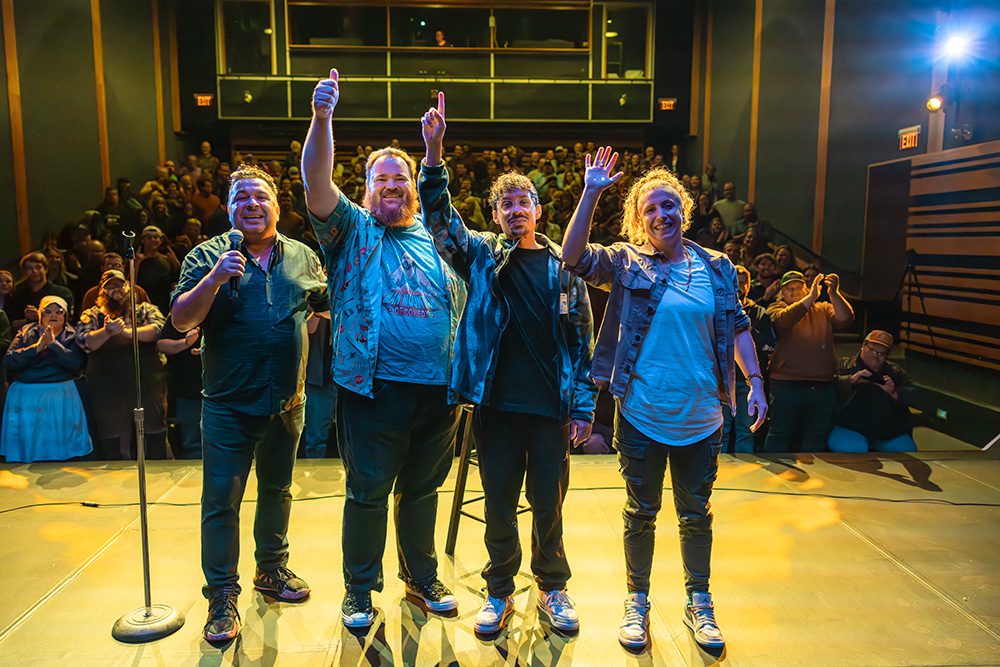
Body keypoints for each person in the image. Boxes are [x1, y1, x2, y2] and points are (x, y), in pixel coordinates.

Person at [562, 155, 767, 651]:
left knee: (696, 514)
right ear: (639, 221)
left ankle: (700, 603)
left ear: (685, 210)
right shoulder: (628, 262)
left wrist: (755, 380)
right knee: (641, 513)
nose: (662, 214)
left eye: (670, 204)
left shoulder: (717, 268)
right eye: (651, 208)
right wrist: (591, 192)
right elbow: (572, 258)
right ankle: (638, 603)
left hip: (702, 415)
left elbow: (737, 325)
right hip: (641, 415)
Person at [419, 94, 596, 636]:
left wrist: (584, 406)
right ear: (494, 215)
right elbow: (440, 221)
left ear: (538, 210)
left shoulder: (565, 267)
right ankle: (499, 591)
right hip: (494, 405)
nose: (516, 211)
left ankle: (552, 588)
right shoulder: (480, 255)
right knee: (498, 504)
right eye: (506, 205)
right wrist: (433, 152)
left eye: (524, 203)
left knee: (549, 507)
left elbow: (581, 342)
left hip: (549, 409)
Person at [304, 69, 467, 630]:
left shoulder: (436, 235)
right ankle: (358, 589)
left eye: (401, 177)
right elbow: (316, 184)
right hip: (373, 387)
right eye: (381, 178)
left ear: (412, 185)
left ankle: (420, 578)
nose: (392, 184)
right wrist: (323, 117)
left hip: (439, 388)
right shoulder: (351, 229)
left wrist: (434, 150)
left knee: (422, 491)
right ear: (367, 187)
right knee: (369, 492)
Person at [171, 162, 328, 642]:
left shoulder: (302, 256)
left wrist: (296, 336)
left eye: (260, 197)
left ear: (277, 205)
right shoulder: (207, 256)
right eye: (241, 198)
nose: (252, 205)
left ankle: (271, 570)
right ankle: (221, 596)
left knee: (277, 492)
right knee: (222, 503)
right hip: (227, 406)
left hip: (287, 404)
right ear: (229, 208)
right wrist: (215, 279)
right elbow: (180, 319)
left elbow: (319, 307)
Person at [77, 270, 167, 460]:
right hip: (108, 389)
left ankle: (156, 481)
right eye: (110, 286)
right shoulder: (91, 314)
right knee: (113, 440)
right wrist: (107, 332)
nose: (116, 289)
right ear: (102, 291)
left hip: (145, 384)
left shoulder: (145, 309)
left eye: (119, 285)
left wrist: (126, 333)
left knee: (152, 435)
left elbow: (159, 329)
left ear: (128, 287)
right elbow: (85, 342)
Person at [764, 270, 854, 452]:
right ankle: (772, 475)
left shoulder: (822, 308)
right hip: (786, 384)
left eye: (798, 287)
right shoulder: (776, 308)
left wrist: (834, 293)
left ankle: (815, 475)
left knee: (816, 436)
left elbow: (846, 319)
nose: (794, 291)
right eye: (788, 288)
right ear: (781, 292)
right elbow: (782, 321)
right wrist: (810, 297)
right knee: (780, 432)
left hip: (821, 385)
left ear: (806, 288)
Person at [1, 296, 92, 462]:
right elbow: (9, 360)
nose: (53, 315)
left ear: (65, 316)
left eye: (59, 311)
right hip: (26, 393)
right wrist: (36, 348)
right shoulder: (26, 331)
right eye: (48, 311)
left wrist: (53, 345)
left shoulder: (72, 334)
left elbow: (75, 364)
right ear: (40, 315)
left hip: (60, 393)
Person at [830, 331, 916, 452]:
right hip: (850, 428)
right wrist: (850, 381)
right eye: (872, 350)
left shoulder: (895, 371)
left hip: (888, 432)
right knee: (854, 451)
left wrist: (895, 393)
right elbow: (829, 385)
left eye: (882, 353)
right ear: (863, 346)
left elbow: (912, 393)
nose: (876, 356)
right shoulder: (844, 366)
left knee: (906, 450)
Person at [722, 266, 775, 453]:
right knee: (721, 430)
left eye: (743, 282)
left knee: (746, 430)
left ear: (749, 286)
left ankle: (745, 470)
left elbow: (770, 346)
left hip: (746, 381)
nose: (739, 286)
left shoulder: (759, 312)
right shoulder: (719, 307)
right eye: (736, 281)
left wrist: (746, 331)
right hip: (723, 379)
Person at [8, 252, 75, 330]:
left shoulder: (62, 293)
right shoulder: (17, 293)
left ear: (45, 269)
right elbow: (10, 324)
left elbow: (68, 321)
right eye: (29, 268)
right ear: (24, 271)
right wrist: (26, 320)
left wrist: (40, 316)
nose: (34, 271)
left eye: (38, 267)